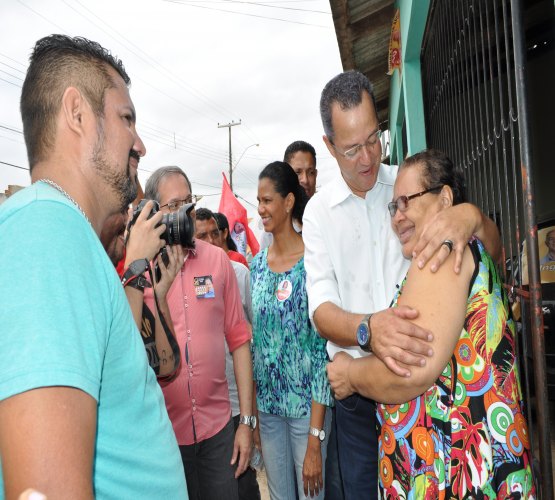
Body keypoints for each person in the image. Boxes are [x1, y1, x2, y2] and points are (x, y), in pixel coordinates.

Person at [0, 35, 186, 498]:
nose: (140, 143)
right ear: (77, 114)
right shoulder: (47, 232)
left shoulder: (67, 235)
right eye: (126, 118)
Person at [303, 70, 501, 499]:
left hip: (427, 389)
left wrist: (471, 216)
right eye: (352, 148)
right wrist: (368, 328)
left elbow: (491, 249)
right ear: (329, 147)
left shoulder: (411, 186)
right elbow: (320, 310)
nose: (367, 158)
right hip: (357, 398)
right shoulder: (319, 213)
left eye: (374, 139)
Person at [327, 149, 536, 497]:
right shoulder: (464, 247)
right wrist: (474, 217)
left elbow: (410, 372)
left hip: (450, 472)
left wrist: (348, 373)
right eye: (394, 207)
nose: (398, 217)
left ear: (445, 199)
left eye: (407, 201)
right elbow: (496, 249)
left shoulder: (439, 255)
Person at [143, 166, 255, 500]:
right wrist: (158, 295)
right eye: (172, 204)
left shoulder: (218, 261)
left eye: (187, 202)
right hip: (165, 437)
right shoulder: (142, 272)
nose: (181, 212)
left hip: (219, 429)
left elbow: (239, 342)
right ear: (153, 212)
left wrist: (246, 423)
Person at [251, 161, 333, 500]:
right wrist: (254, 417)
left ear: (287, 202)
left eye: (267, 200)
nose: (260, 209)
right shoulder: (256, 265)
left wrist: (315, 437)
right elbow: (255, 344)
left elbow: (319, 350)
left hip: (305, 415)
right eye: (258, 201)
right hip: (269, 413)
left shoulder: (312, 262)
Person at [196, 208, 262, 500]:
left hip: (238, 406)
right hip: (210, 415)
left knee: (245, 487)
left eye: (215, 232)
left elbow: (250, 338)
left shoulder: (239, 273)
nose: (212, 240)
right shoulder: (184, 278)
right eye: (202, 236)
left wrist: (251, 417)